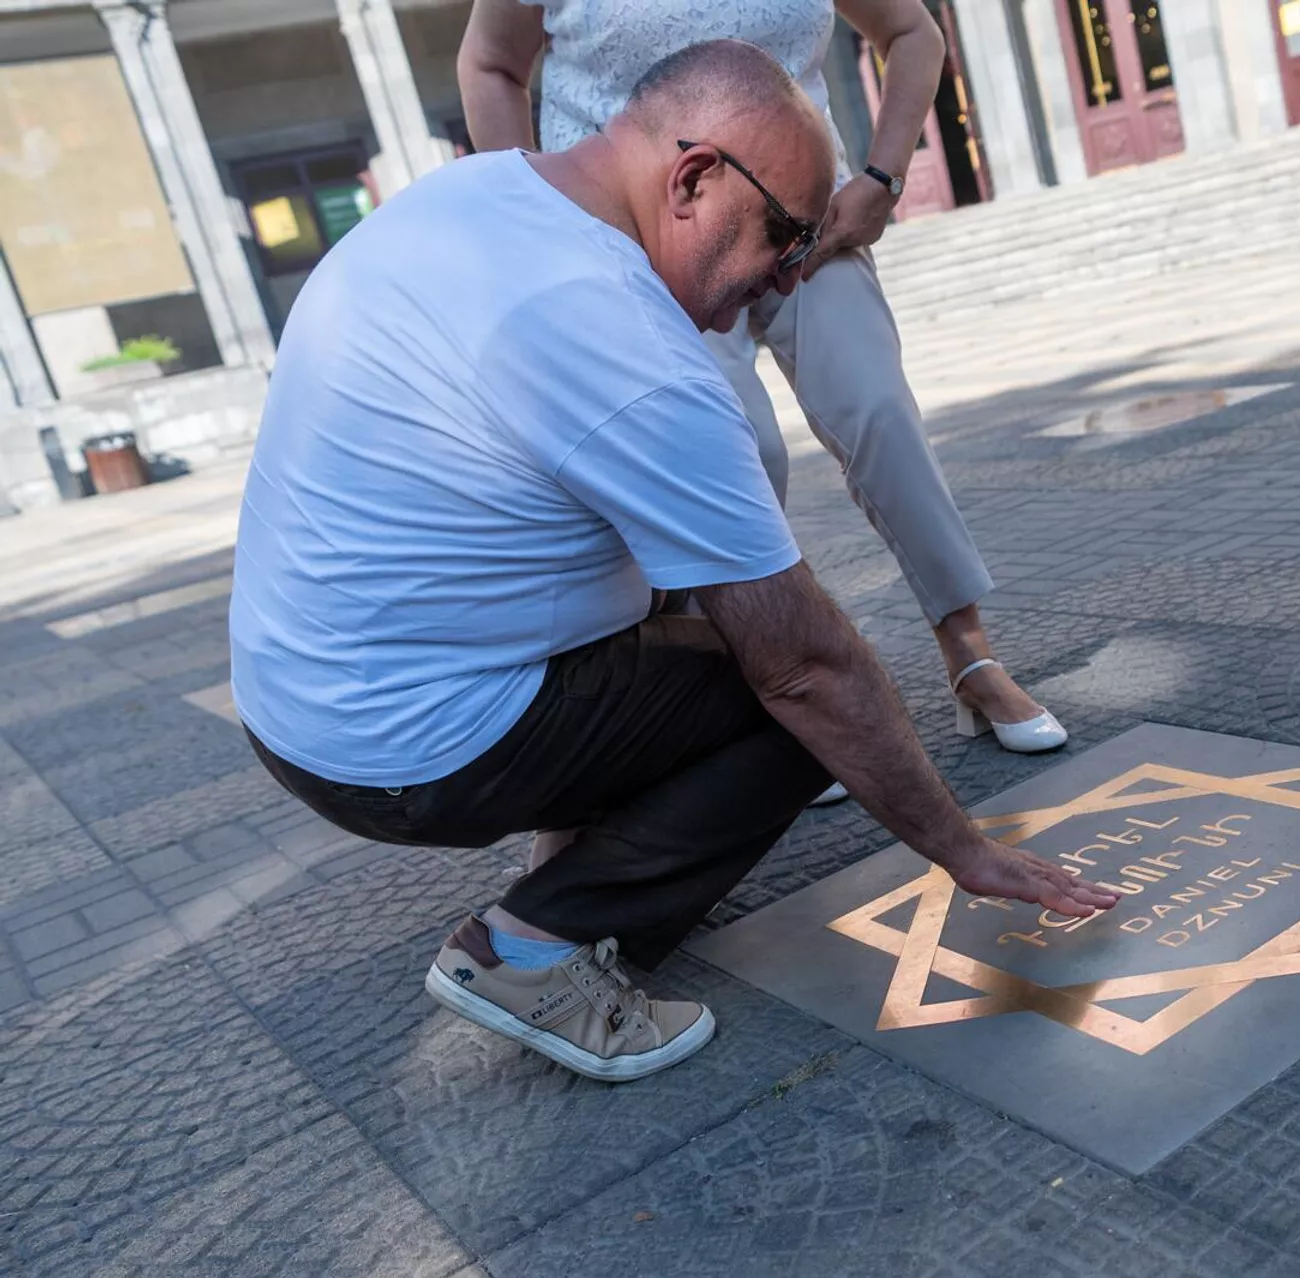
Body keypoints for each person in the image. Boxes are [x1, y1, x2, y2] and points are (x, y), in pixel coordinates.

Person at [229, 40, 1116, 1084]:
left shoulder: (469, 201)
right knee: (797, 714)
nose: (781, 281)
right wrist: (965, 850)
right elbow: (809, 671)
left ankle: (567, 859)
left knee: (680, 617)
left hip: (299, 706)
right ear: (694, 179)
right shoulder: (629, 347)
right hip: (404, 749)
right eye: (785, 238)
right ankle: (533, 951)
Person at [458, 0, 1068, 772]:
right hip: (645, 241)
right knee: (735, 452)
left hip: (806, 216)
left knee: (877, 411)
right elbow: (489, 66)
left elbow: (914, 33)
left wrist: (882, 174)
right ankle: (772, 698)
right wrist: (546, 223)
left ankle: (972, 658)